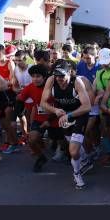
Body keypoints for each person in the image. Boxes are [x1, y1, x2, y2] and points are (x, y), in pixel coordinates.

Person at [41, 60, 92, 189]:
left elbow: (87, 106)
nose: (59, 79)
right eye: (57, 75)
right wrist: (55, 110)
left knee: (73, 151)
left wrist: (68, 115)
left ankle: (77, 174)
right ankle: (85, 159)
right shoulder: (51, 81)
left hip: (78, 114)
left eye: (62, 75)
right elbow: (43, 103)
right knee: (72, 144)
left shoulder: (77, 82)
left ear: (70, 73)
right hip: (63, 116)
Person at [16, 64, 61, 172]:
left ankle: (62, 149)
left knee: (61, 140)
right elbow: (20, 99)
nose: (35, 79)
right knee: (31, 139)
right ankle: (41, 158)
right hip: (39, 118)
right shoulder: (30, 87)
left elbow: (60, 106)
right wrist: (17, 114)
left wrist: (49, 120)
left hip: (55, 118)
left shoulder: (54, 88)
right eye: (33, 76)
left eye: (38, 76)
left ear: (44, 77)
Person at [0, 44, 20, 154]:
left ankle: (14, 143)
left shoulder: (10, 63)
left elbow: (11, 80)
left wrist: (3, 83)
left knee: (9, 119)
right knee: (3, 121)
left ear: (4, 52)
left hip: (9, 94)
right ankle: (9, 141)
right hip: (0, 94)